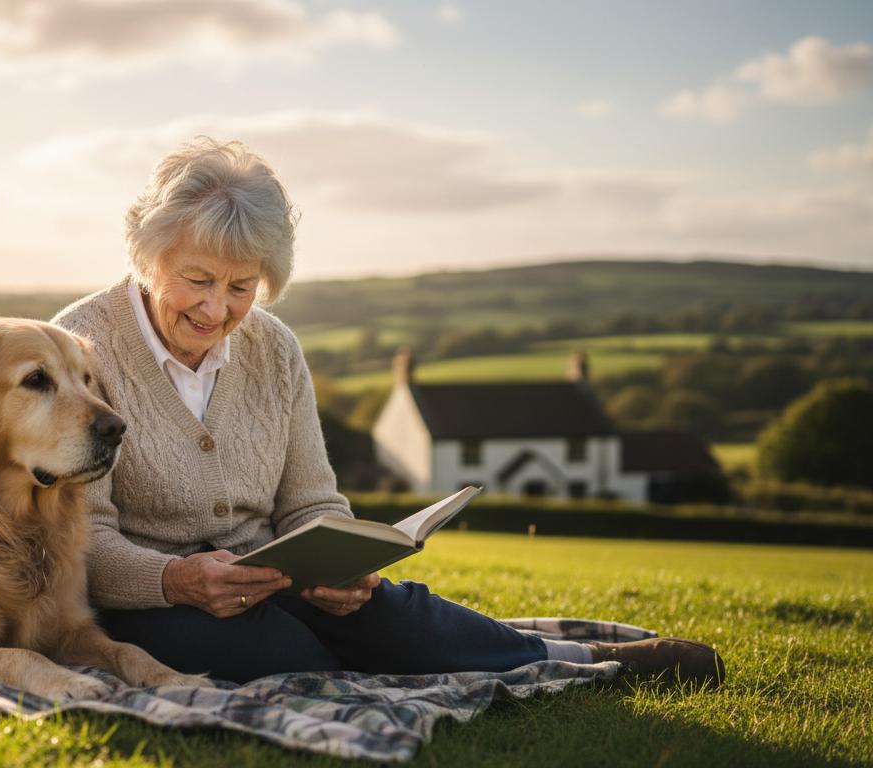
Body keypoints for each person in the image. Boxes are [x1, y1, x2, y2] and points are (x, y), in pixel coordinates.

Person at [52, 137, 723, 686]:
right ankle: (380, 658)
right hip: (148, 601)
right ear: (148, 256)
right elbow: (77, 542)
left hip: (272, 579)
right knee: (273, 653)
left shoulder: (274, 349)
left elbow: (312, 500)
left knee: (387, 611)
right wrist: (176, 579)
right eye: (197, 280)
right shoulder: (78, 352)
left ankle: (583, 661)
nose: (216, 308)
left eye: (241, 287)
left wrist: (338, 565)